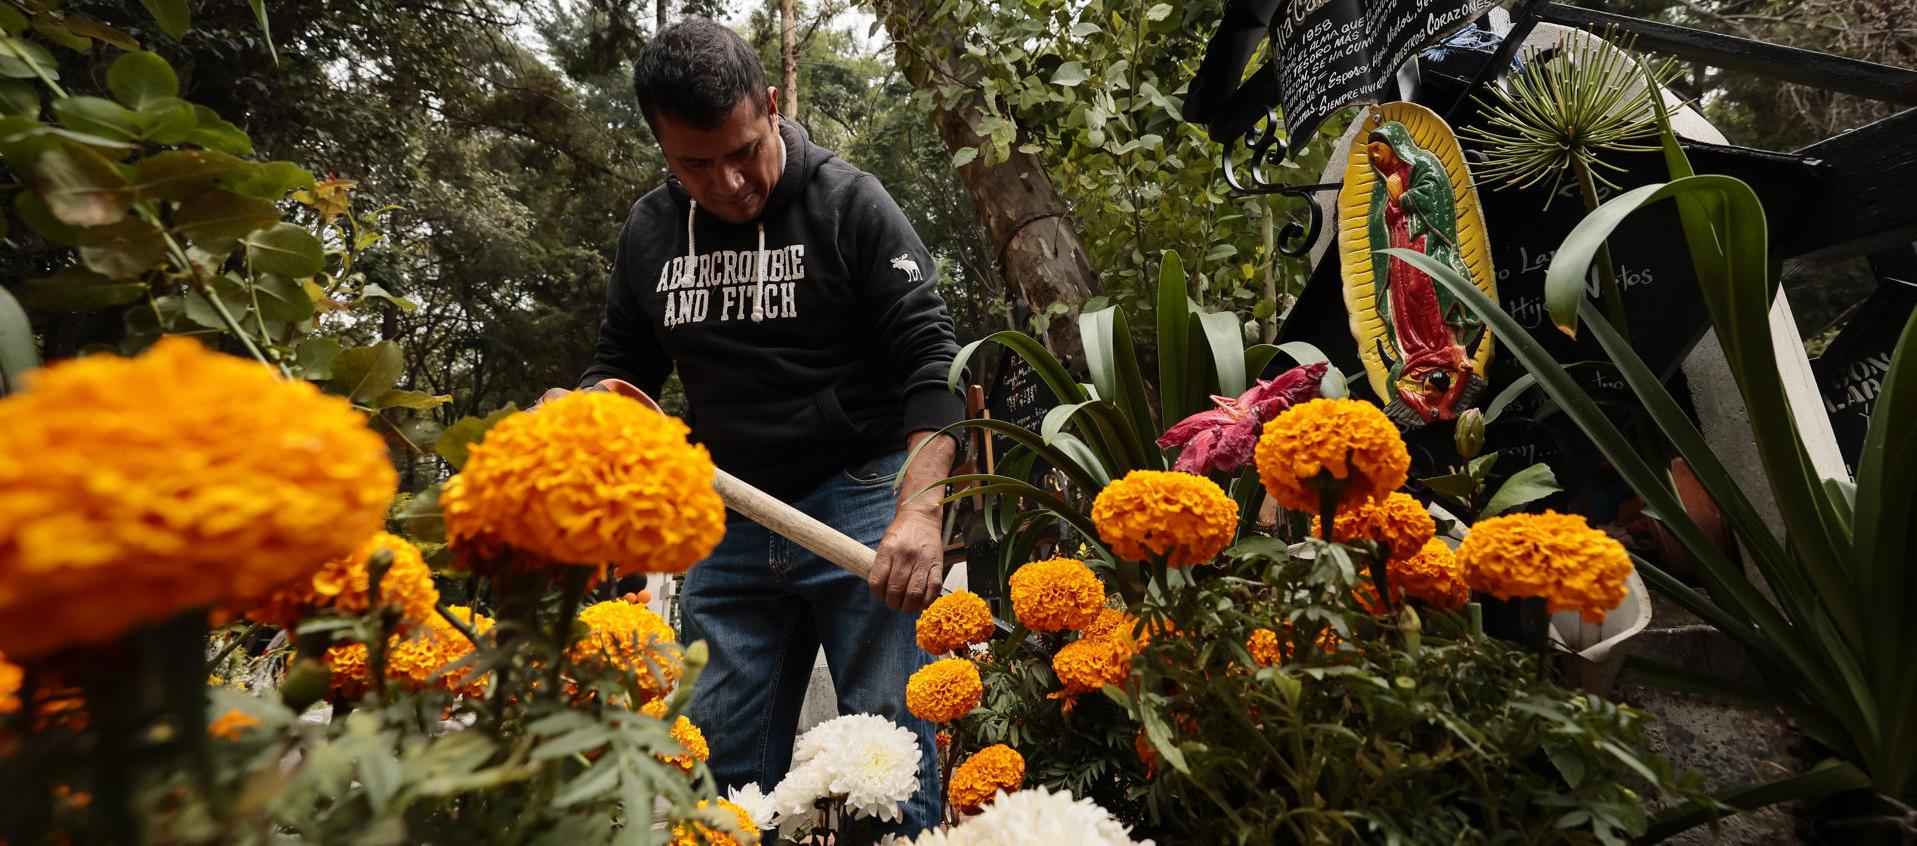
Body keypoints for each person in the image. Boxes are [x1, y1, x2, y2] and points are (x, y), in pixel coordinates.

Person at [538, 18, 961, 836]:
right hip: (726, 513)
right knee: (717, 774)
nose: (728, 184)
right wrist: (594, 401)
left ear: (770, 106)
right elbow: (615, 361)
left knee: (890, 765)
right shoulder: (650, 233)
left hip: (863, 505)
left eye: (742, 151)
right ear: (661, 146)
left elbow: (935, 364)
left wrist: (919, 511)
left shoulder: (849, 202)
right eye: (694, 163)